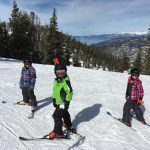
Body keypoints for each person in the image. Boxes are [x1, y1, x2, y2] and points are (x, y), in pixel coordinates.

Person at [48, 64, 76, 139]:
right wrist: (54, 99)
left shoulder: (66, 81)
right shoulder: (56, 81)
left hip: (64, 102)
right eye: (58, 73)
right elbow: (55, 90)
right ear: (55, 73)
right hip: (59, 101)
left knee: (56, 116)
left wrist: (66, 100)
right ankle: (68, 124)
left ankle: (58, 132)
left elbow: (70, 91)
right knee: (64, 113)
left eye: (62, 72)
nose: (60, 74)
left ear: (65, 72)